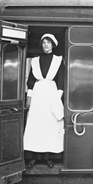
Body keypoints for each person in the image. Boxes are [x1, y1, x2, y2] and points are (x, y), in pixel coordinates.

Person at [24, 34, 64, 168]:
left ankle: (48, 158)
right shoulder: (35, 60)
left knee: (49, 126)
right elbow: (30, 81)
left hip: (52, 93)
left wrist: (57, 98)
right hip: (38, 94)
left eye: (48, 42)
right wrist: (29, 98)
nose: (46, 45)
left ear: (53, 44)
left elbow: (61, 81)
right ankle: (34, 158)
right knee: (36, 126)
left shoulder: (58, 60)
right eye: (44, 42)